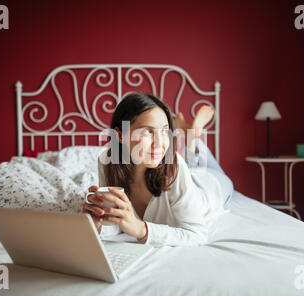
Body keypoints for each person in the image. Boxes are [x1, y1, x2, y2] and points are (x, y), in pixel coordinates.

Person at [82, 93, 234, 247]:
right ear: (120, 135)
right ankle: (191, 139)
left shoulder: (175, 164)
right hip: (184, 173)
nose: (160, 143)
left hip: (212, 185)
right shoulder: (107, 163)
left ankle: (193, 136)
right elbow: (119, 223)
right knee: (189, 163)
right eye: (147, 131)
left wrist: (142, 229)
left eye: (164, 131)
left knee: (192, 164)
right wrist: (97, 223)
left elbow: (197, 235)